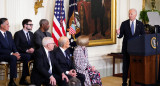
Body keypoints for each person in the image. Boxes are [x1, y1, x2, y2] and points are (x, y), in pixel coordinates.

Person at [117, 8, 145, 86]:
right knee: (125, 67)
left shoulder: (140, 24)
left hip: (136, 50)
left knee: (134, 67)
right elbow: (120, 36)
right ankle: (124, 82)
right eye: (129, 14)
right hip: (126, 49)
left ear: (135, 15)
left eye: (131, 14)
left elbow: (143, 36)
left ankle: (132, 82)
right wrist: (118, 33)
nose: (129, 15)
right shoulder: (124, 23)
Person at [0, 18, 21, 86]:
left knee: (25, 56)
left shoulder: (9, 33)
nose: (9, 25)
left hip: (10, 55)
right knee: (13, 58)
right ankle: (11, 81)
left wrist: (17, 53)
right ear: (1, 25)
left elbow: (13, 45)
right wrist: (12, 53)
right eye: (7, 24)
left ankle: (23, 79)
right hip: (1, 55)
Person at [14, 19, 34, 85]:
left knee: (39, 55)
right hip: (21, 53)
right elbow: (16, 46)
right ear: (25, 25)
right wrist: (26, 50)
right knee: (27, 57)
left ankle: (35, 77)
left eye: (32, 24)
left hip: (30, 53)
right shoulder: (18, 34)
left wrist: (33, 49)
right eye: (30, 24)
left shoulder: (31, 34)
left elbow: (33, 44)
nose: (32, 26)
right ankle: (23, 79)